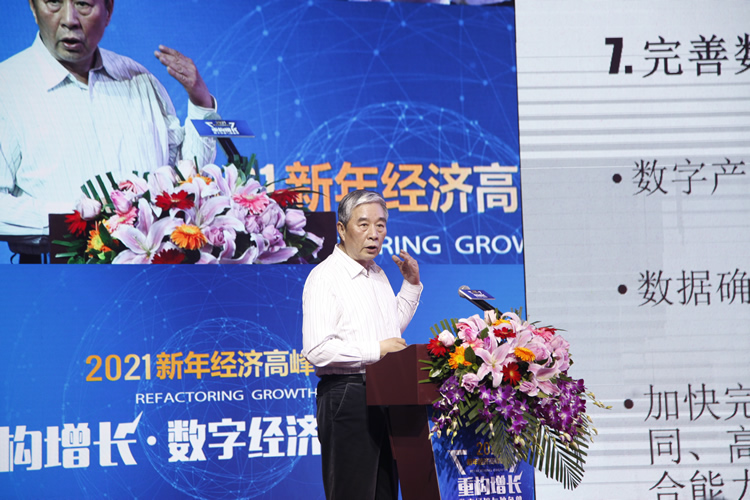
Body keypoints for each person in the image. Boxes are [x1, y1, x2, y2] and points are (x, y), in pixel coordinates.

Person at [0, 0, 218, 262]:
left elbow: (187, 178)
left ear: (109, 11)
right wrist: (75, 218)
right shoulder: (7, 87)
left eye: (83, 4)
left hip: (150, 273)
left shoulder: (140, 81)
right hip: (54, 274)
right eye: (54, 2)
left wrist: (200, 103)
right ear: (33, 8)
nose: (69, 19)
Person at [302, 189, 423, 500]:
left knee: (384, 492)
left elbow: (390, 330)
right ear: (342, 229)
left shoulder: (378, 274)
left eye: (380, 225)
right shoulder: (325, 277)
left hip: (387, 394)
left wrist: (411, 285)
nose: (374, 234)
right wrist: (376, 350)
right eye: (364, 224)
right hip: (348, 396)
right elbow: (317, 349)